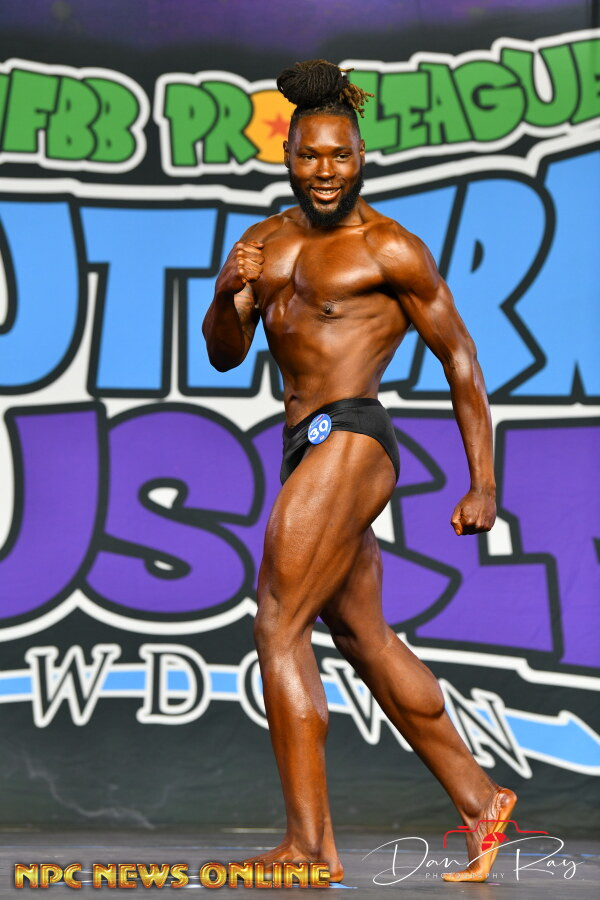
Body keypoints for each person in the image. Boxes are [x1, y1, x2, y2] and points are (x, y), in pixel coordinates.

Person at [202, 59, 516, 884]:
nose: (325, 170)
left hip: (354, 434)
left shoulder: (390, 247)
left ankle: (309, 850)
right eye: (310, 155)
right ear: (288, 155)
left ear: (360, 155)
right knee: (360, 636)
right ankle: (482, 802)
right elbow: (226, 353)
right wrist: (226, 293)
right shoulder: (266, 243)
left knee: (278, 623)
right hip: (302, 443)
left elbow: (460, 359)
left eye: (339, 155)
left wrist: (483, 483)